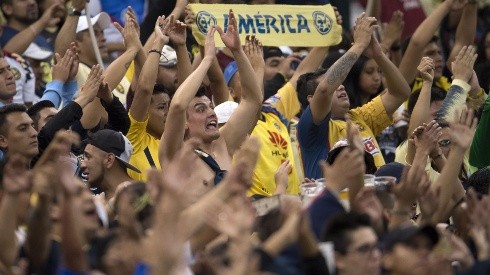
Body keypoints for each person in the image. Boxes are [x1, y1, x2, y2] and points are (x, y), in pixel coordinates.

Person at [159, 9, 262, 200]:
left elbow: (252, 101)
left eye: (210, 107)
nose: (212, 113)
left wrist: (238, 52)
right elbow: (179, 106)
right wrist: (207, 59)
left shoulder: (222, 143)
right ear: (185, 124)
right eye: (201, 109)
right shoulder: (175, 152)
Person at [297, 13, 410, 179]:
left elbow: (400, 93)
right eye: (335, 86)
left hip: (375, 200)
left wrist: (378, 56)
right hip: (336, 202)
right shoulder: (311, 129)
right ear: (311, 100)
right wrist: (358, 45)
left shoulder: (360, 117)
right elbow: (324, 90)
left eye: (340, 83)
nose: (340, 86)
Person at [81, 129, 141, 199]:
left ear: (109, 160)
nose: (82, 165)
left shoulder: (141, 197)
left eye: (88, 157)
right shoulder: (96, 201)